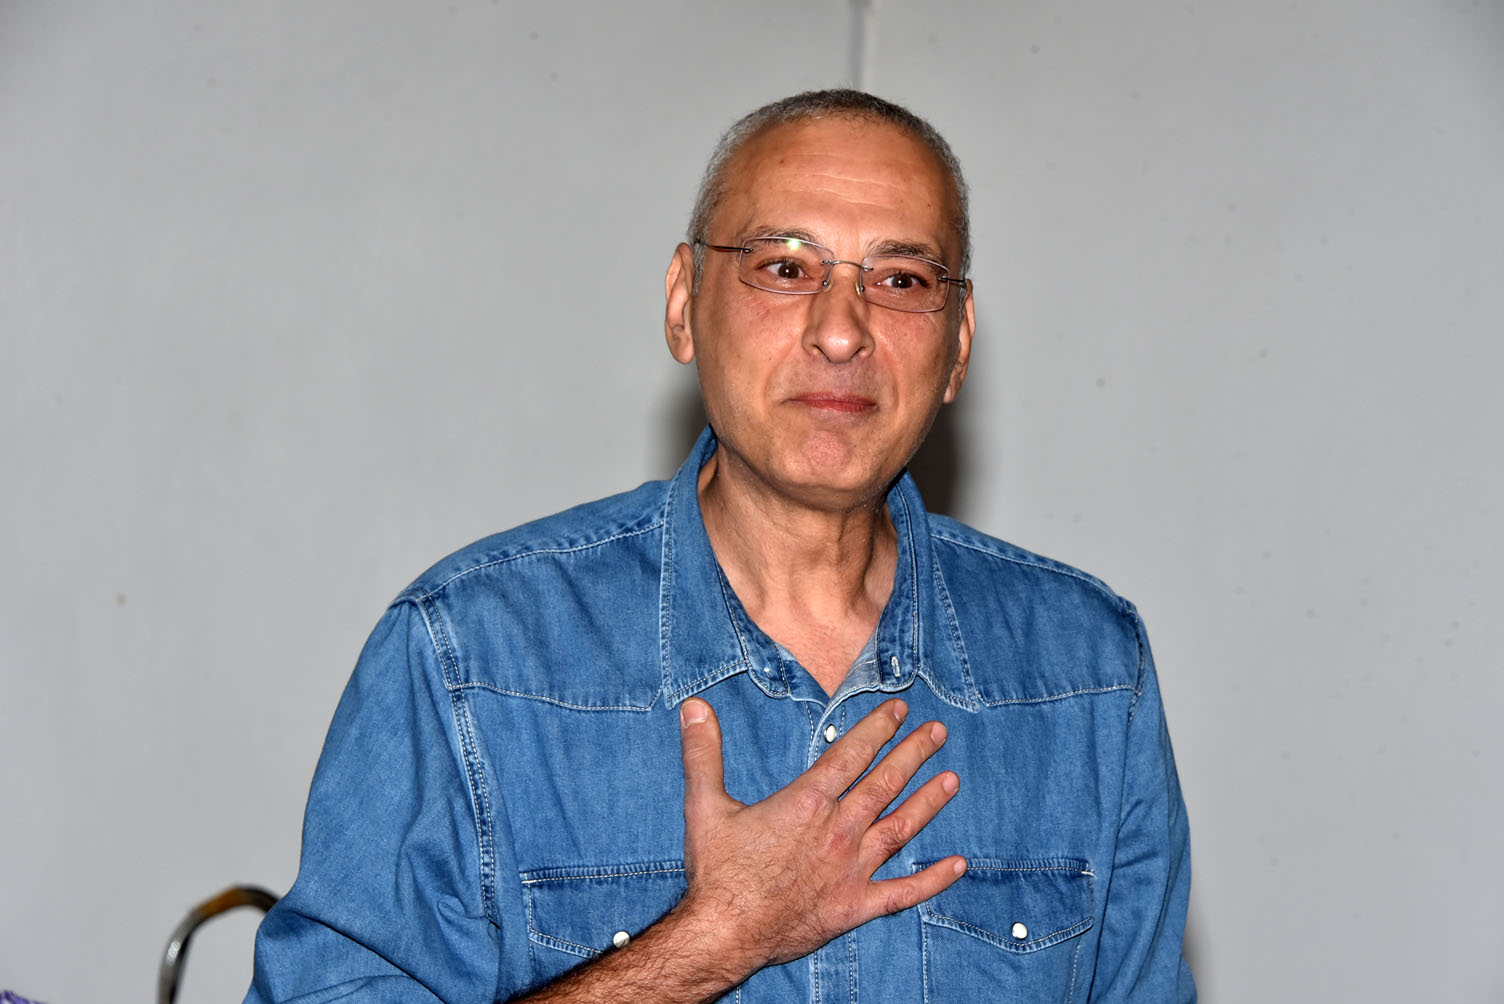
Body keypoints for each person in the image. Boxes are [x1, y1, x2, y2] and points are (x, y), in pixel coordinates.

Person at [245, 89, 1194, 1003]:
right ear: (682, 303)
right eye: (785, 267)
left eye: (901, 280)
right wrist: (716, 939)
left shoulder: (1087, 672)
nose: (841, 332)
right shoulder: (472, 658)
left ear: (958, 344)